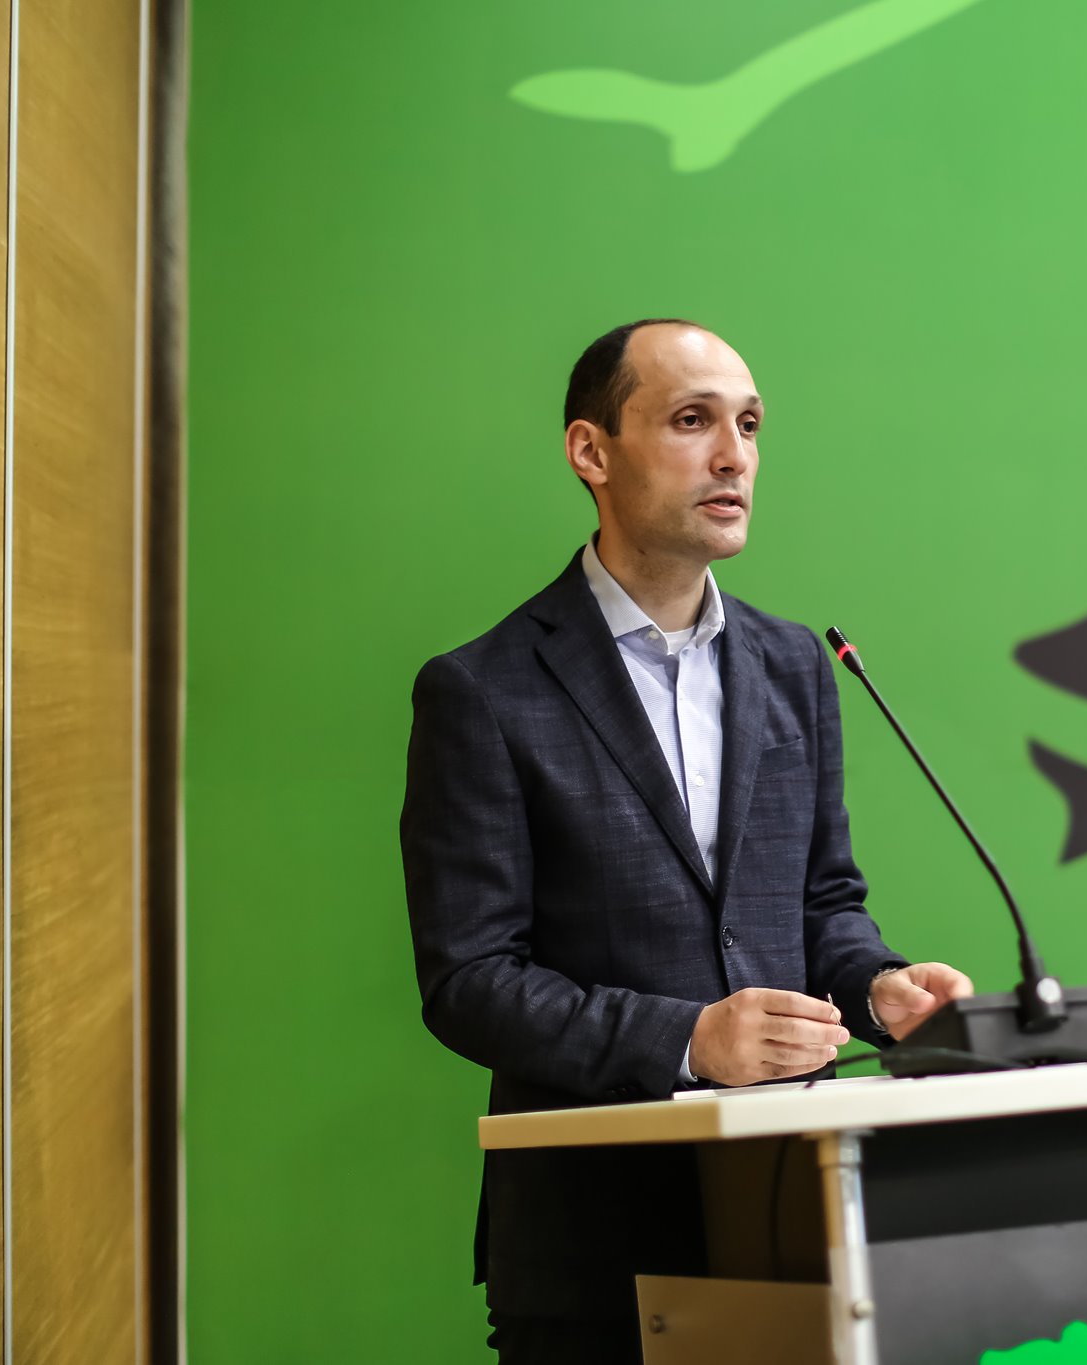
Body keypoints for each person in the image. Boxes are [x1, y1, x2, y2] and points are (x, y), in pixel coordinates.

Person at [400, 318, 974, 1362]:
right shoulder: (483, 690)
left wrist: (876, 989)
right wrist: (687, 1040)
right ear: (591, 451)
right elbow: (470, 979)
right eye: (691, 420)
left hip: (797, 1218)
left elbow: (820, 908)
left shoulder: (795, 665)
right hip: (595, 1251)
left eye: (748, 426)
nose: (733, 456)